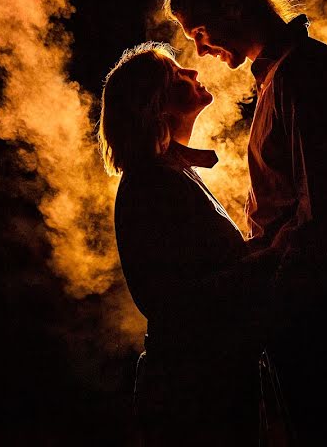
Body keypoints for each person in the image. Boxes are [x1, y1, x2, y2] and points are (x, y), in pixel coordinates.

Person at [164, 0, 327, 445]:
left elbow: (320, 227)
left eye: (199, 29)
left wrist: (237, 283)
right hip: (309, 316)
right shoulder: (281, 77)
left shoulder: (304, 75)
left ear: (232, 3)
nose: (199, 47)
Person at [98, 42, 280, 445]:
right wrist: (274, 255)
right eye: (178, 73)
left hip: (206, 381)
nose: (194, 73)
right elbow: (175, 299)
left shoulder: (169, 174)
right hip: (194, 392)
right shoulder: (153, 182)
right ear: (156, 102)